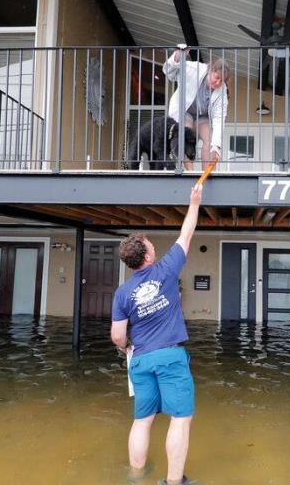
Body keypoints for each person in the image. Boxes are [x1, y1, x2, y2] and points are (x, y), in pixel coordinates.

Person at [111, 183, 203, 485]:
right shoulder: (165, 270)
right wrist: (194, 202)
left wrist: (126, 349)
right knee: (180, 418)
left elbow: (117, 336)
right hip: (169, 357)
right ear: (147, 256)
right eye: (150, 244)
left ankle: (136, 476)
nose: (154, 246)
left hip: (140, 360)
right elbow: (186, 234)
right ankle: (174, 481)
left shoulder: (123, 292)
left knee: (142, 419)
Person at [163, 44, 228, 171]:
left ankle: (206, 175)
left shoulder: (222, 90)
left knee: (209, 140)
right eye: (217, 77)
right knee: (185, 135)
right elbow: (169, 71)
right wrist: (177, 56)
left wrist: (217, 145)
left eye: (222, 80)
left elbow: (219, 117)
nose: (218, 82)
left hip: (203, 116)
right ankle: (190, 172)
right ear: (210, 70)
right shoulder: (193, 68)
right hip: (184, 111)